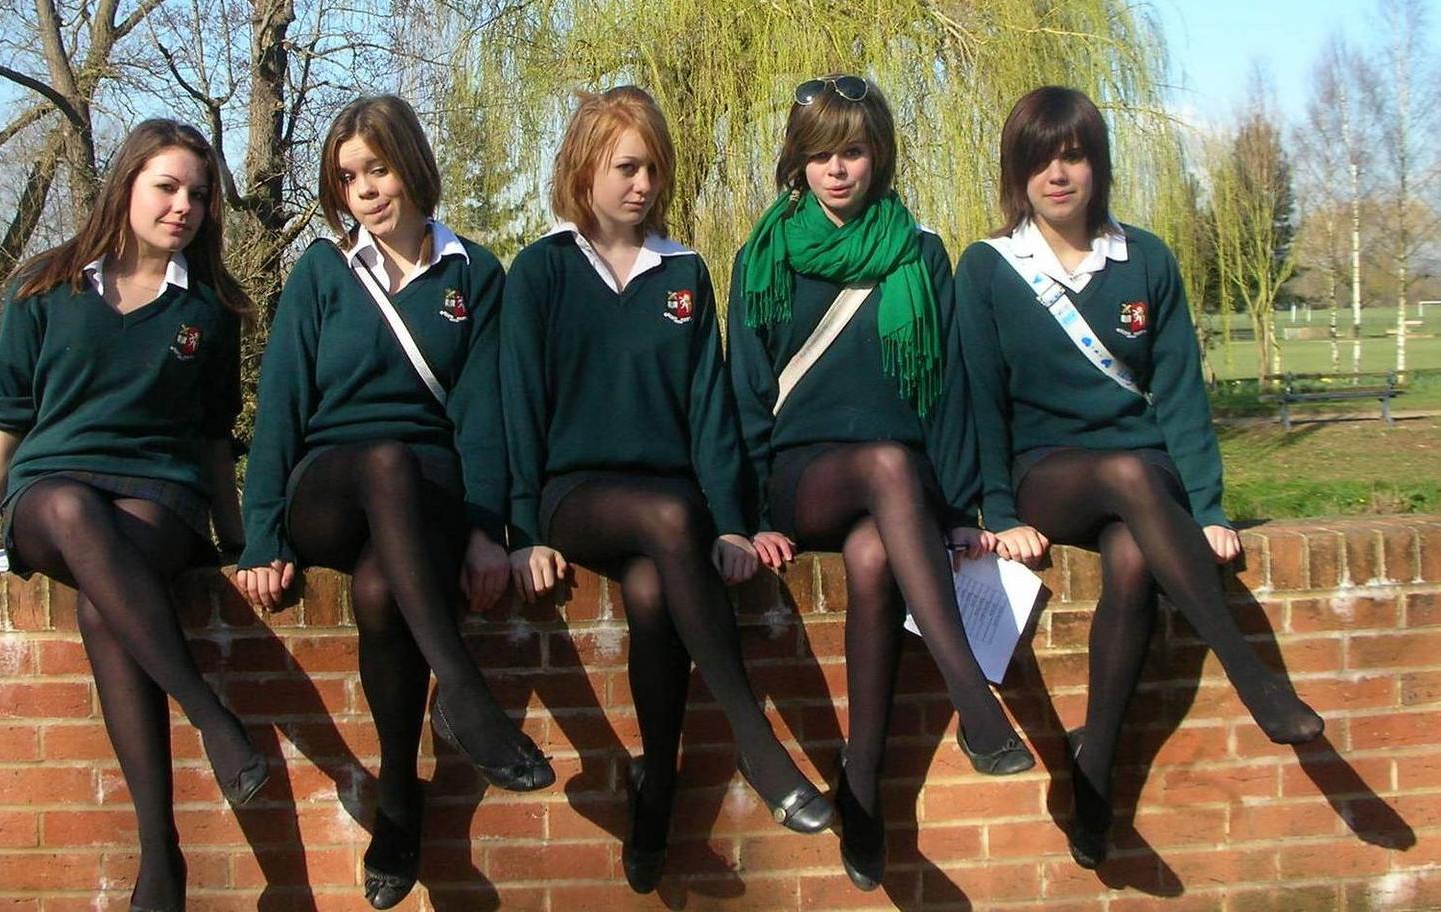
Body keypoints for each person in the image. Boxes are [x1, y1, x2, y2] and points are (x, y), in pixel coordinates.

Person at [955, 85, 1324, 870]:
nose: (1059, 173)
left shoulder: (1145, 257)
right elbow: (978, 397)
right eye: (1041, 158)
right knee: (1126, 474)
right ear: (1017, 172)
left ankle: (1091, 778)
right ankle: (1254, 677)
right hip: (1045, 476)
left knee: (1131, 557)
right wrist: (993, 505)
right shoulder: (987, 268)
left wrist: (1211, 506)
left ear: (1098, 164)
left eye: (1074, 154)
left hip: (1143, 476)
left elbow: (1181, 389)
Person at [0, 120, 263, 912]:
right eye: (167, 187)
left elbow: (211, 438)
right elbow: (6, 416)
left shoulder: (208, 308)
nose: (184, 207)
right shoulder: (45, 285)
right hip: (51, 493)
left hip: (159, 496)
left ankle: (160, 859)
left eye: (199, 195)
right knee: (70, 507)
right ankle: (210, 716)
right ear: (127, 183)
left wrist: (236, 537)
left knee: (110, 606)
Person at [501, 85, 835, 894]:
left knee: (655, 592)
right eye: (625, 166)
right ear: (583, 169)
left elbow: (708, 412)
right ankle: (757, 746)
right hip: (575, 497)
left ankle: (655, 799)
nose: (642, 183)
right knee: (666, 515)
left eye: (654, 167)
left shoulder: (684, 271)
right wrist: (520, 532)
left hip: (671, 515)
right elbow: (515, 407)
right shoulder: (541, 270)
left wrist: (733, 525)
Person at [234, 95, 553, 910]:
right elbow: (279, 410)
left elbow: (484, 418)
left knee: (382, 590)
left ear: (410, 163)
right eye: (347, 178)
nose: (365, 190)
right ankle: (469, 701)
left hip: (430, 494)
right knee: (380, 458)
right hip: (329, 492)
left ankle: (400, 804)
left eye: (376, 169)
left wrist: (487, 533)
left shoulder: (477, 272)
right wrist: (261, 534)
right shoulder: (320, 272)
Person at [725, 75, 1025, 892]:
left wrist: (963, 510)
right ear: (797, 161)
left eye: (852, 151)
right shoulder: (763, 256)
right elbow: (746, 398)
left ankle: (862, 796)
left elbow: (949, 390)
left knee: (872, 561)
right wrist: (748, 516)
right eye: (820, 153)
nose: (836, 169)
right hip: (803, 479)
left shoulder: (920, 249)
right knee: (884, 466)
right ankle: (974, 697)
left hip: (897, 493)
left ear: (878, 156)